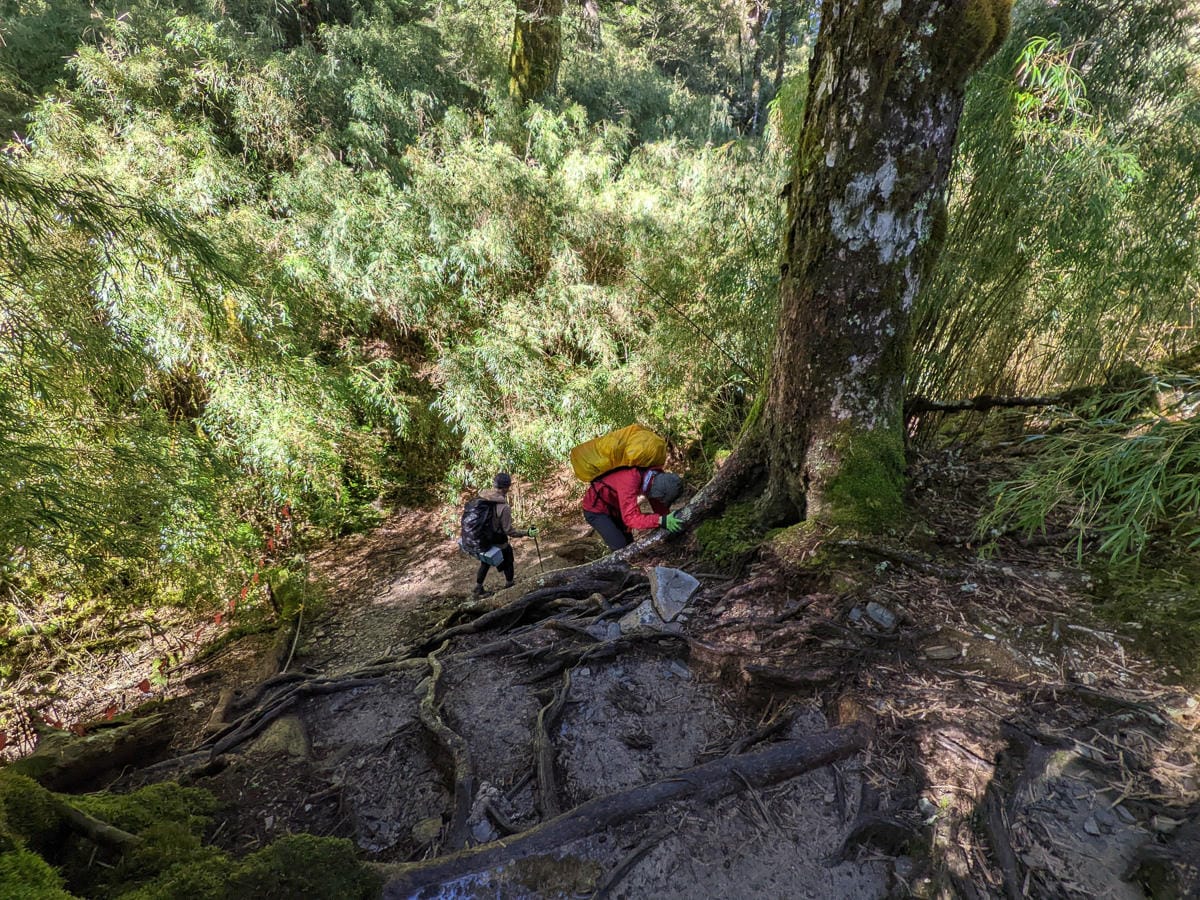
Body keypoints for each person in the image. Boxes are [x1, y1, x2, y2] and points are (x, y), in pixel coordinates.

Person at [582, 467, 685, 551]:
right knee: (620, 546)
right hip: (595, 510)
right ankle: (620, 573)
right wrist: (659, 520)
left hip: (616, 506)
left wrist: (667, 519)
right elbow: (630, 518)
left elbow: (658, 503)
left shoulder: (655, 476)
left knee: (629, 544)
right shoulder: (630, 480)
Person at [472, 472, 536, 595]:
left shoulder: (483, 497)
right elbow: (508, 531)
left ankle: (478, 587)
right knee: (508, 559)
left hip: (483, 537)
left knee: (485, 561)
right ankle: (510, 585)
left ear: (494, 485)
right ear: (507, 488)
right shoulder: (503, 507)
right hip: (497, 539)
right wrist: (526, 532)